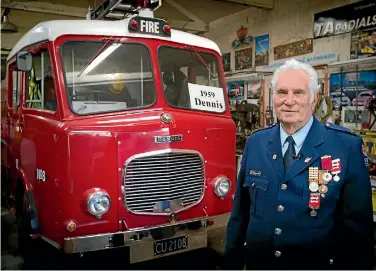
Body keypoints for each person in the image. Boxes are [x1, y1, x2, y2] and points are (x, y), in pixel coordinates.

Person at [223, 59, 375, 270]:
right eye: (282, 92)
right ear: (273, 98)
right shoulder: (255, 143)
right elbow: (240, 214)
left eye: (299, 93)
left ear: (313, 100)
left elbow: (358, 229)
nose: (289, 101)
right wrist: (231, 263)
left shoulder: (345, 146)